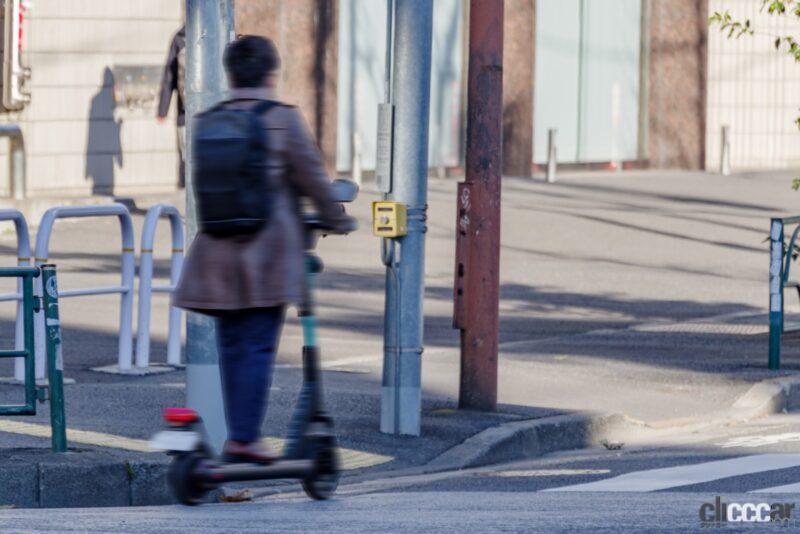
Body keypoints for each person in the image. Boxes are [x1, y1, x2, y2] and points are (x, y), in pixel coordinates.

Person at [173, 36, 349, 464]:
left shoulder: (207, 120)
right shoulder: (282, 119)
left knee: (233, 346)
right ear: (272, 73)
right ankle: (244, 438)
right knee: (256, 347)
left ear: (230, 75)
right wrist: (337, 218)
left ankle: (238, 434)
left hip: (213, 255)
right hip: (263, 259)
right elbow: (312, 179)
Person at [157, 25, 186, 188]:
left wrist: (162, 110)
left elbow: (169, 76)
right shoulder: (216, 30)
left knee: (187, 158)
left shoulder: (180, 37)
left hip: (185, 113)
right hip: (210, 112)